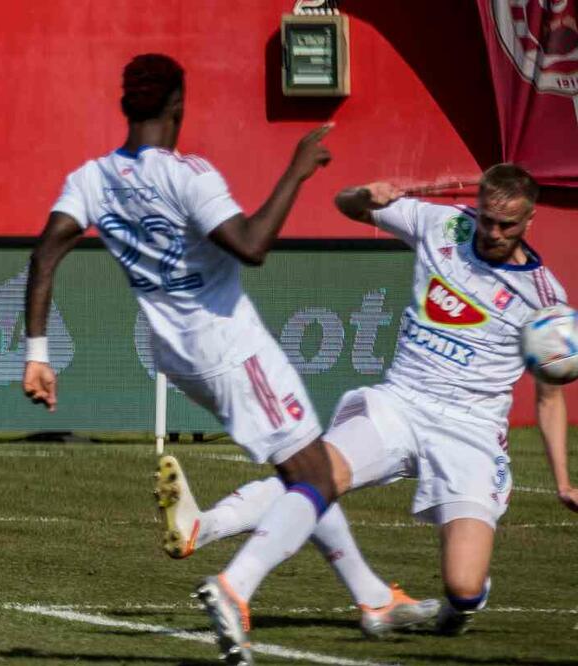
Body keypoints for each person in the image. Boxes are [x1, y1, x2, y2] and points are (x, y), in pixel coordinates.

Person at [20, 54, 436, 664]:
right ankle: (234, 587)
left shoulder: (91, 177)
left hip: (179, 358)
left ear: (125, 105)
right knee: (318, 479)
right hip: (232, 349)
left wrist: (37, 353)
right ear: (178, 105)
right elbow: (251, 246)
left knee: (305, 474)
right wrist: (297, 172)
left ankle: (373, 598)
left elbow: (46, 251)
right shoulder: (189, 175)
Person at [180, 162, 578, 663]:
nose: (493, 233)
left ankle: (456, 607)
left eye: (507, 225)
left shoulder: (545, 303)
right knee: (320, 472)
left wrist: (563, 481)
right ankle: (221, 556)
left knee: (463, 585)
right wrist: (363, 194)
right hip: (401, 401)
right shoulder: (442, 224)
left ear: (530, 221)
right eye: (486, 219)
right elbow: (346, 205)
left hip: (470, 431)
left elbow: (548, 396)